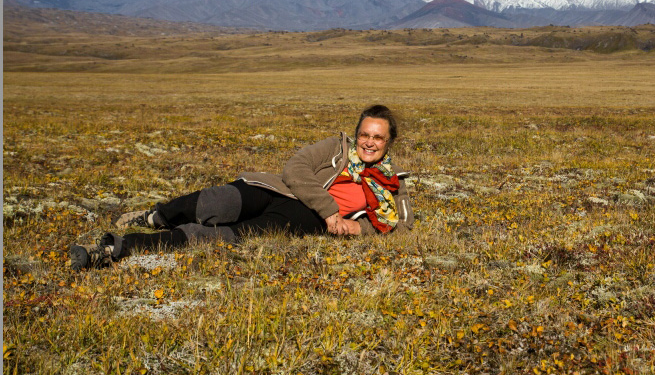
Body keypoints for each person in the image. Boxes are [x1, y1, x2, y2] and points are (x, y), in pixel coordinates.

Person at [69, 104, 414, 271]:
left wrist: (359, 227)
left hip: (298, 219)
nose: (370, 142)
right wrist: (330, 210)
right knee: (214, 203)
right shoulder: (336, 147)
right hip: (275, 189)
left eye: (378, 137)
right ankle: (158, 216)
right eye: (365, 134)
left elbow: (402, 223)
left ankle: (122, 248)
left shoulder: (393, 182)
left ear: (389, 142)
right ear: (357, 134)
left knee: (224, 236)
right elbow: (295, 168)